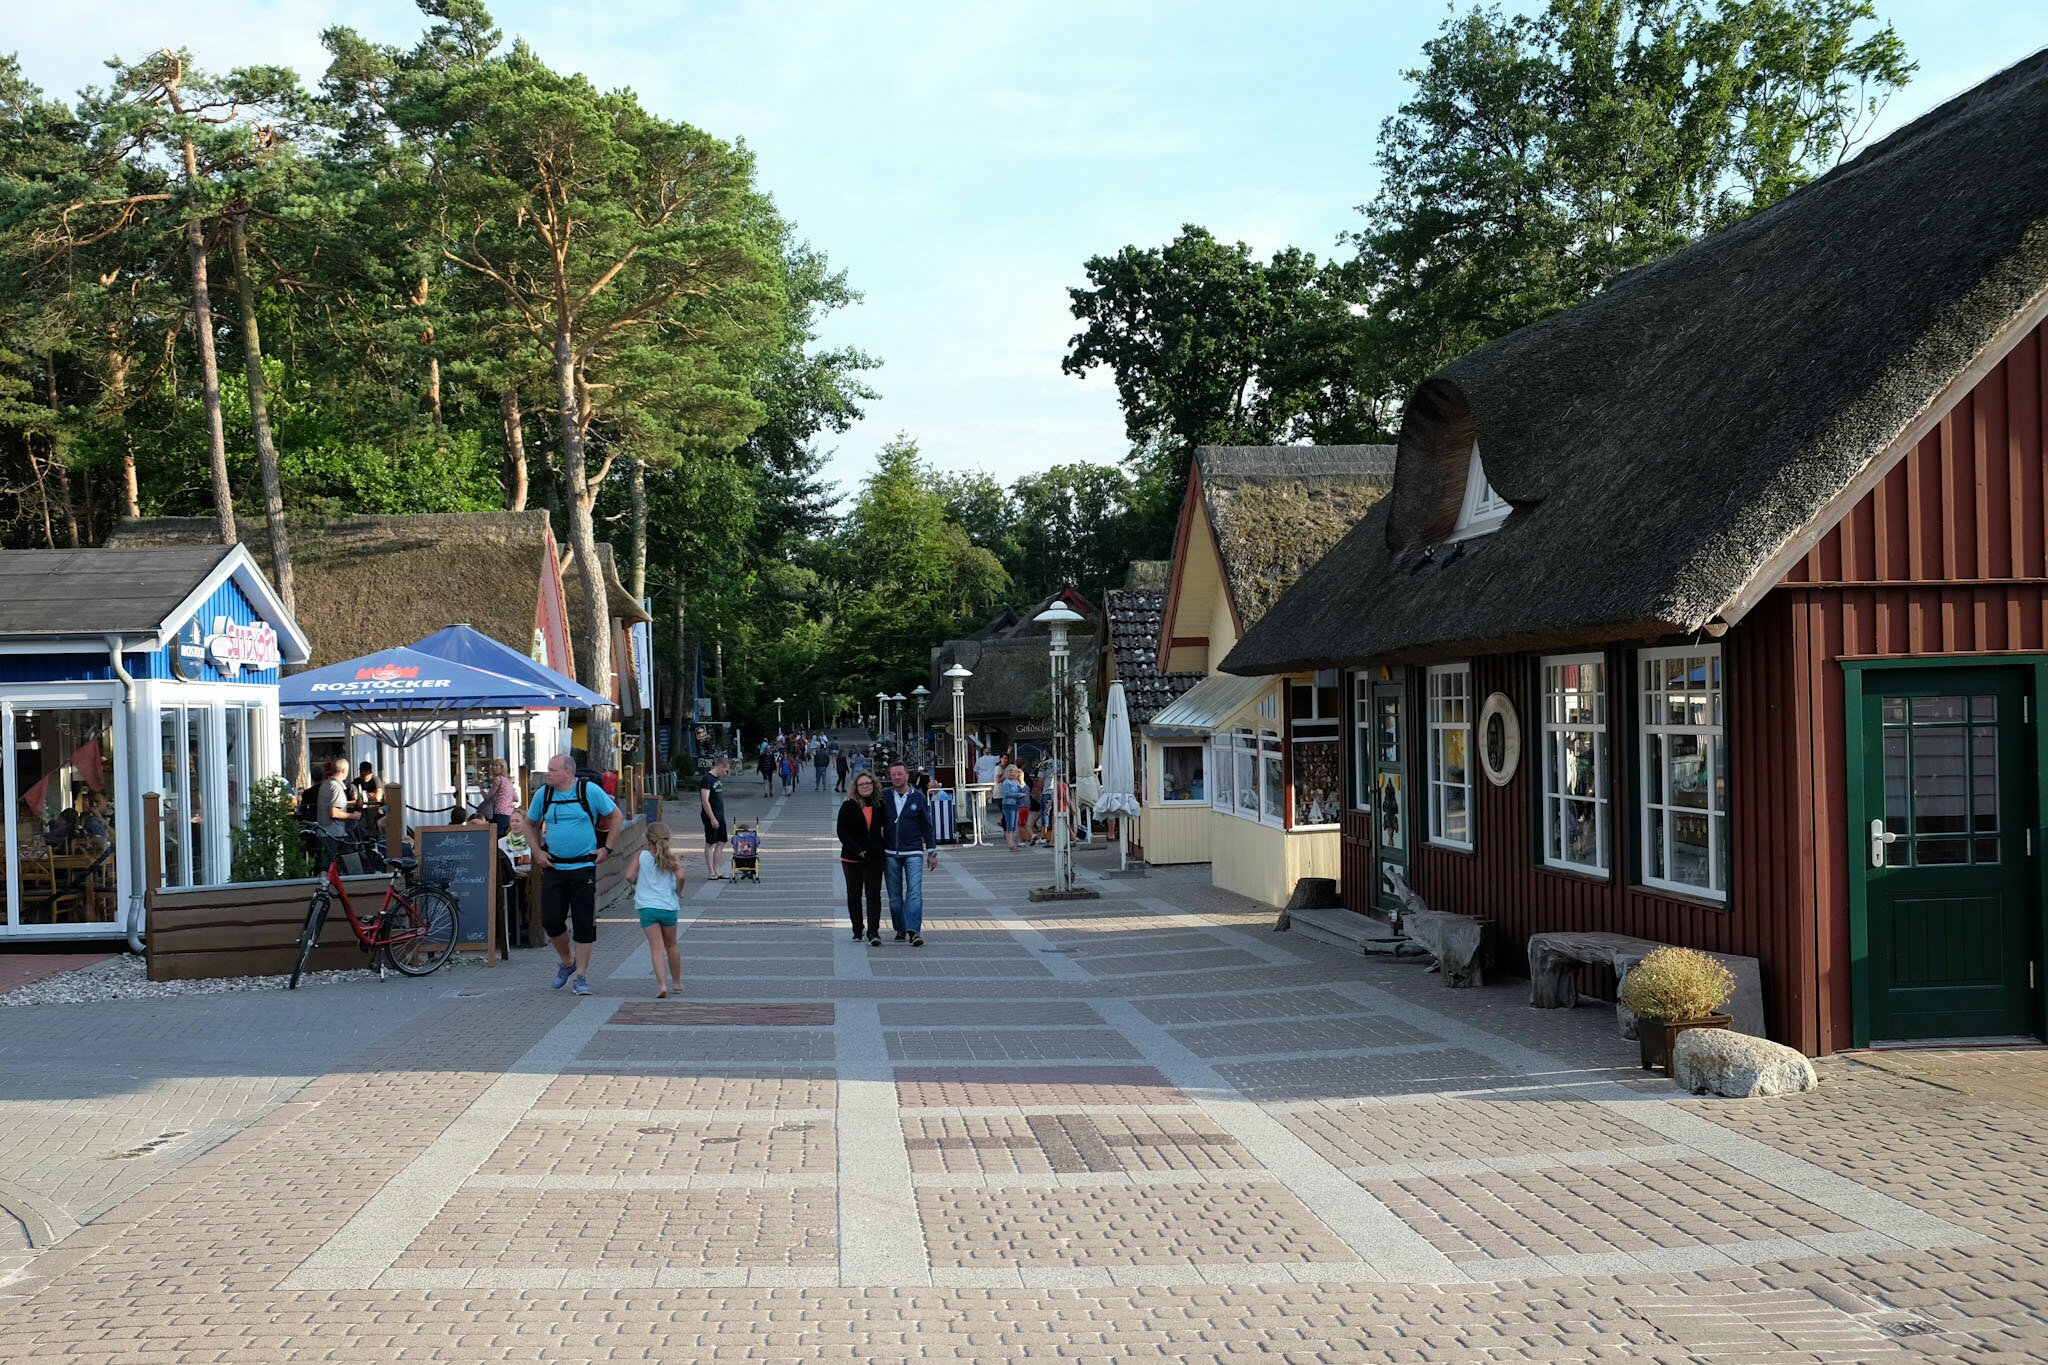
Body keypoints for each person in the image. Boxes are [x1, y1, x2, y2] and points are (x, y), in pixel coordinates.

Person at [516, 754, 621, 996]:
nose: (548, 774)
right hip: (554, 867)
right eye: (548, 770)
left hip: (583, 866)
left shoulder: (589, 791)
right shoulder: (544, 794)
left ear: (568, 772)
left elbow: (616, 816)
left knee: (584, 923)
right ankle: (567, 962)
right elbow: (529, 824)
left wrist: (607, 848)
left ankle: (581, 976)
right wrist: (537, 853)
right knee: (551, 920)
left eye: (552, 770)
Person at [877, 762, 938, 946]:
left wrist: (932, 852)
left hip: (913, 851)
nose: (896, 777)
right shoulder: (884, 796)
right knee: (895, 897)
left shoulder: (918, 797)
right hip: (890, 853)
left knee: (914, 892)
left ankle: (913, 931)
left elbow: (927, 826)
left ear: (907, 776)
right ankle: (900, 928)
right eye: (893, 774)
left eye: (899, 774)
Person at [626, 821, 685, 998]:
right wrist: (678, 891)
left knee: (656, 947)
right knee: (672, 945)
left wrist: (638, 882)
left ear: (647, 839)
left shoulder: (640, 856)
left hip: (646, 907)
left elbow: (629, 875)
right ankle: (677, 982)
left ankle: (662, 985)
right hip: (667, 906)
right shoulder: (672, 857)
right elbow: (681, 875)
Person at [836, 771, 886, 945]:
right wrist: (857, 850)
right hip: (852, 857)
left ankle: (874, 932)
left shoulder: (880, 804)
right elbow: (841, 831)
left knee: (873, 895)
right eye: (861, 784)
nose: (865, 786)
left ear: (874, 785)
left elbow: (885, 829)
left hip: (874, 857)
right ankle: (857, 928)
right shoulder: (848, 805)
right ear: (856, 787)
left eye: (868, 783)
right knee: (854, 895)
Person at [699, 756, 732, 879]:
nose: (726, 773)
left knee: (722, 841)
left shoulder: (717, 779)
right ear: (720, 766)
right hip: (710, 816)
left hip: (720, 815)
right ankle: (711, 872)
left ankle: (717, 870)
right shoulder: (707, 779)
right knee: (710, 843)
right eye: (726, 770)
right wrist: (712, 818)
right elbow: (705, 801)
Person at [476, 758, 518, 837]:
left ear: (502, 767)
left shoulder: (498, 779)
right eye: (492, 765)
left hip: (499, 813)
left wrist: (481, 789)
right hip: (509, 814)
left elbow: (487, 798)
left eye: (496, 765)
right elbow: (516, 798)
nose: (493, 767)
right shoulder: (509, 781)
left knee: (496, 838)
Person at [317, 759, 351, 842]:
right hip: (335, 834)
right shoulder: (337, 787)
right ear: (344, 770)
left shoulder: (325, 784)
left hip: (322, 832)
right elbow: (334, 812)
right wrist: (353, 815)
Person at [999, 764, 1028, 852]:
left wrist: (1021, 780)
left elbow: (1023, 789)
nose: (1012, 774)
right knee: (1010, 825)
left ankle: (1013, 843)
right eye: (1010, 772)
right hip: (1008, 804)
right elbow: (1007, 794)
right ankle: (1010, 844)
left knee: (1014, 825)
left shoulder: (1017, 782)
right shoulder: (1006, 782)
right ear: (1007, 773)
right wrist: (1018, 795)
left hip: (1016, 804)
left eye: (1014, 772)